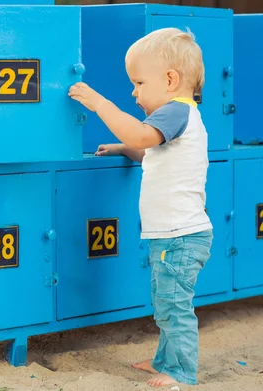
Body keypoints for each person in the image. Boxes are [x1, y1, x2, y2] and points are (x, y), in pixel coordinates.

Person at [68, 27, 213, 388]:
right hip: (173, 237)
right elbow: (148, 151)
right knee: (165, 303)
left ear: (170, 80)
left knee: (174, 306)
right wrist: (122, 149)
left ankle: (180, 371)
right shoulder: (179, 119)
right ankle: (165, 359)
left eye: (138, 83)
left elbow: (139, 135)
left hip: (180, 237)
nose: (133, 93)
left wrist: (100, 104)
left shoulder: (176, 111)